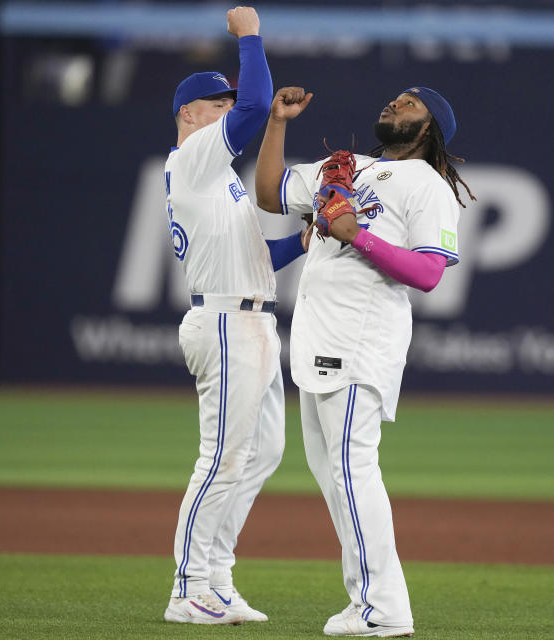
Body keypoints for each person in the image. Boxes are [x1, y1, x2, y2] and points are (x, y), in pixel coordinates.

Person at [255, 86, 474, 637]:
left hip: (360, 339)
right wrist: (277, 123)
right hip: (317, 340)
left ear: (429, 128)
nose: (394, 106)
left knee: (353, 470)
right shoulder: (344, 168)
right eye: (395, 99)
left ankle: (385, 608)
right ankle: (366, 601)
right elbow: (269, 193)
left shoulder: (427, 185)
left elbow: (428, 273)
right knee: (333, 477)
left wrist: (358, 236)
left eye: (409, 105)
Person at [161, 7, 309, 626]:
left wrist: (304, 241)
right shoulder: (192, 159)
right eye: (216, 105)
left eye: (227, 103)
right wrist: (251, 37)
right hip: (223, 325)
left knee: (265, 449)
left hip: (248, 318)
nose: (229, 111)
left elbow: (255, 258)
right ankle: (187, 588)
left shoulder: (218, 178)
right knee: (221, 454)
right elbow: (253, 110)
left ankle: (217, 575)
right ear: (190, 117)